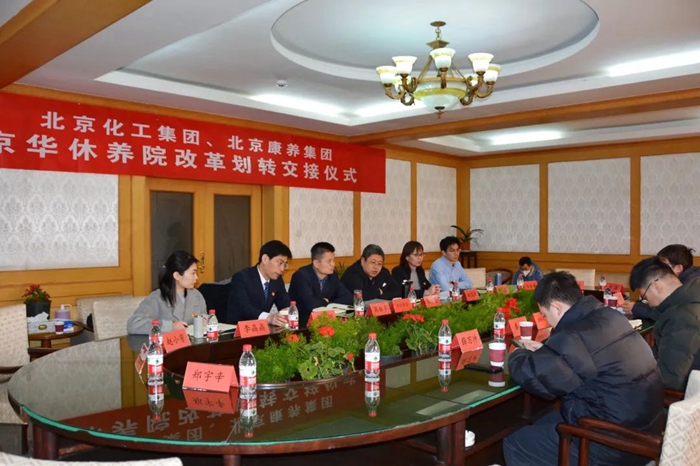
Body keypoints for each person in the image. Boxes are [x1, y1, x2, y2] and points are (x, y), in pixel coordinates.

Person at [503, 272, 664, 466]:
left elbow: (536, 378)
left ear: (557, 307)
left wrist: (518, 354)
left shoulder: (575, 335)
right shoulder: (607, 315)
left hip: (613, 443)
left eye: (545, 315)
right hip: (645, 430)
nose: (546, 320)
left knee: (516, 443)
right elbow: (585, 355)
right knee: (542, 421)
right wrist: (548, 351)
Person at [629, 257, 700, 391]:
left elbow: (669, 379)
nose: (648, 303)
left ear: (656, 286)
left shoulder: (682, 317)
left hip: (688, 395)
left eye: (644, 297)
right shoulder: (691, 300)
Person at [127, 250, 206, 334]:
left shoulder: (196, 295)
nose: (196, 277)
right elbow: (134, 324)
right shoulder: (157, 297)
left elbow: (203, 316)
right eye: (193, 273)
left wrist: (206, 320)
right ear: (177, 275)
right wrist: (170, 326)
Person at [623, 244, 700, 319]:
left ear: (678, 268)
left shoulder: (689, 287)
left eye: (663, 264)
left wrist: (639, 309)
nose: (659, 267)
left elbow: (669, 313)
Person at [225, 240, 291, 326]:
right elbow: (245, 308)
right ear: (265, 259)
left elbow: (285, 302)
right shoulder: (242, 278)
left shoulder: (277, 280)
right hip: (238, 328)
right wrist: (269, 317)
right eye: (280, 263)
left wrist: (289, 311)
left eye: (285, 265)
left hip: (261, 328)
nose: (282, 269)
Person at [288, 242, 353, 326]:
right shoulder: (301, 276)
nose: (333, 264)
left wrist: (328, 303)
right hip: (302, 324)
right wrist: (326, 303)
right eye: (329, 261)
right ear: (316, 263)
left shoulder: (333, 275)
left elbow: (348, 297)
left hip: (326, 321)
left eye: (333, 260)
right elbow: (309, 304)